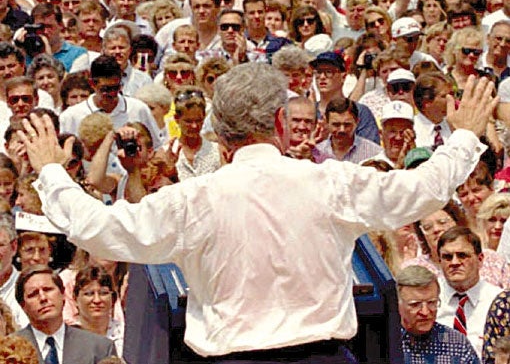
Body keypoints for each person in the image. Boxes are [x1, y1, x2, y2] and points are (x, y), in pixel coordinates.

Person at [17, 66, 497, 362]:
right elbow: (421, 190)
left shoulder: (193, 199)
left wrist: (50, 172)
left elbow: (100, 230)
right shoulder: (331, 183)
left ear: (217, 135)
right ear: (280, 124)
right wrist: (465, 137)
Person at [15, 265, 117, 363]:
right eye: (33, 294)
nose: (43, 298)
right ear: (22, 305)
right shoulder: (9, 349)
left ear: (63, 294)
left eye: (48, 290)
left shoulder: (100, 348)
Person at [435, 226, 503, 357]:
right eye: (447, 257)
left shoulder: (498, 301)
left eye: (462, 255)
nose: (454, 262)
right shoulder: (427, 300)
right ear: (439, 261)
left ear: (480, 259)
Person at [397, 265, 479, 364]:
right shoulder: (382, 342)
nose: (425, 312)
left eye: (432, 303)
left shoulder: (456, 343)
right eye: (415, 305)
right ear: (397, 305)